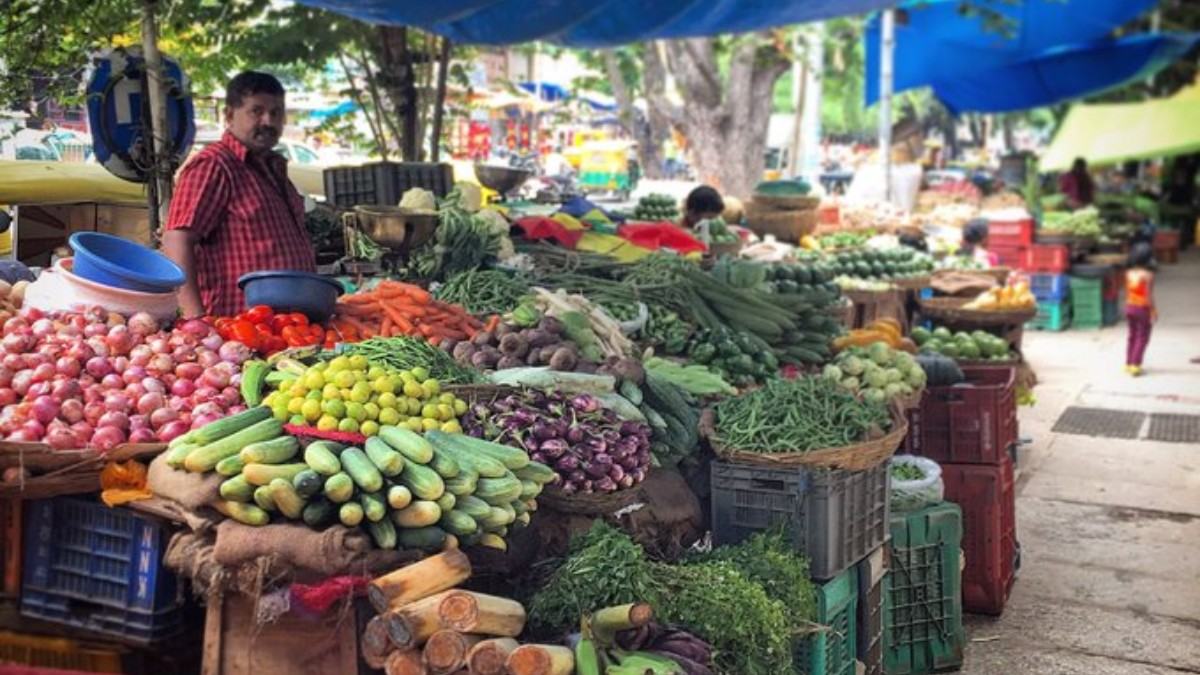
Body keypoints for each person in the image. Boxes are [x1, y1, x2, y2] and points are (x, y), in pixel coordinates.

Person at [164, 71, 315, 318]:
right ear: (229, 115)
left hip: (283, 328)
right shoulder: (215, 165)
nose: (268, 120)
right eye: (257, 111)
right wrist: (195, 319)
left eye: (276, 112)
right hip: (235, 327)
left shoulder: (272, 168)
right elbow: (177, 240)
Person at [1124, 242, 1157, 376]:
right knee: (1142, 336)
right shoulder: (1148, 275)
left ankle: (1128, 362)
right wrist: (1154, 311)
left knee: (1132, 335)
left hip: (1129, 307)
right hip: (1142, 308)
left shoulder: (1128, 273)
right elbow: (1149, 296)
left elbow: (1128, 292)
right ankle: (1135, 365)